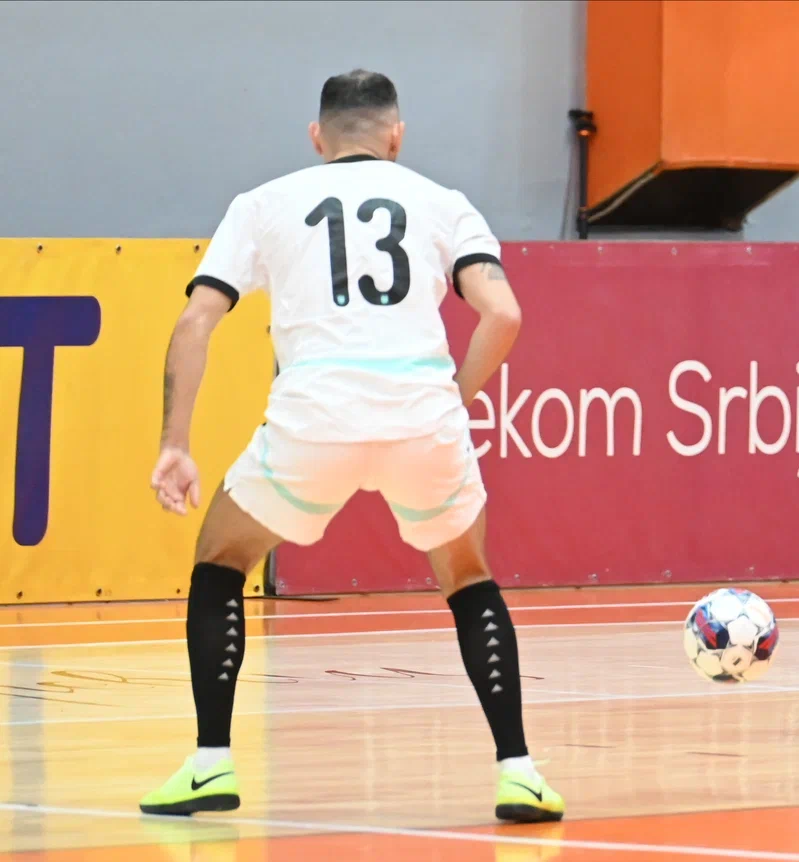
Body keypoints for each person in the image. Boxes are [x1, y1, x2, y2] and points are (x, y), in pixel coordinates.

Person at [140, 69, 564, 822]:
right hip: (422, 422)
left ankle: (210, 763)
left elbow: (195, 323)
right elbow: (503, 313)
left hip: (315, 422)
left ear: (317, 137)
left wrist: (176, 442)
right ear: (396, 136)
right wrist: (450, 399)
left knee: (221, 560)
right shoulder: (443, 202)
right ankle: (519, 771)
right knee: (469, 579)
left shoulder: (263, 203)